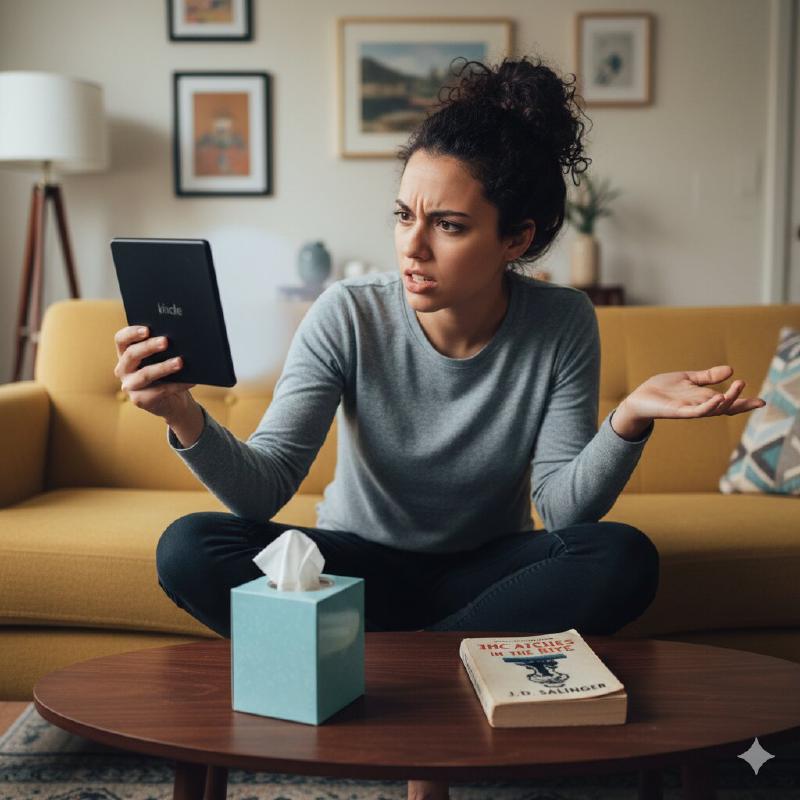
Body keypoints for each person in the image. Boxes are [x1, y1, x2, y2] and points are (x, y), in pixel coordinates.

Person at [113, 55, 766, 800]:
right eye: (403, 215)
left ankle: (379, 673)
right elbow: (263, 493)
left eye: (448, 225)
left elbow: (561, 510)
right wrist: (181, 413)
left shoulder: (561, 323)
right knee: (190, 545)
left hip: (489, 572)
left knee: (622, 556)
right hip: (352, 574)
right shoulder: (348, 313)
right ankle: (455, 675)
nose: (412, 249)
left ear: (517, 238)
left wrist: (628, 419)